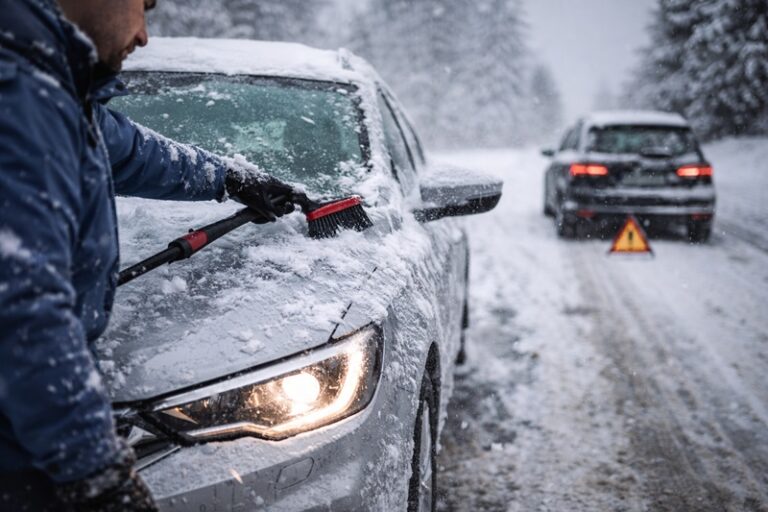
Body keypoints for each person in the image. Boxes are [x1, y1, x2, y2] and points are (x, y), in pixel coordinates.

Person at [0, 0, 295, 510]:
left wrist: (229, 177)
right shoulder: (20, 94)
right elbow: (22, 309)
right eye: (145, 7)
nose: (144, 36)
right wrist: (97, 474)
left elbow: (133, 150)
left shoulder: (55, 90)